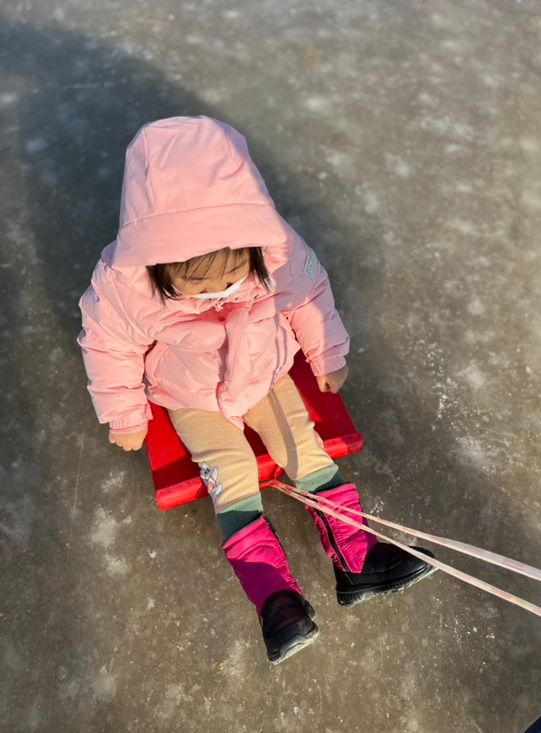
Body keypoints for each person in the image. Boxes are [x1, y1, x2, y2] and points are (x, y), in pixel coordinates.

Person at [78, 116, 434, 664]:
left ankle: (357, 559)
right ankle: (276, 599)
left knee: (304, 448)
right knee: (233, 471)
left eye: (230, 276)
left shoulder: (276, 249)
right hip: (190, 395)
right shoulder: (125, 284)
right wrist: (125, 413)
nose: (218, 291)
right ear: (156, 262)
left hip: (266, 374)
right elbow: (107, 345)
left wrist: (327, 353)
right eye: (196, 284)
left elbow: (309, 294)